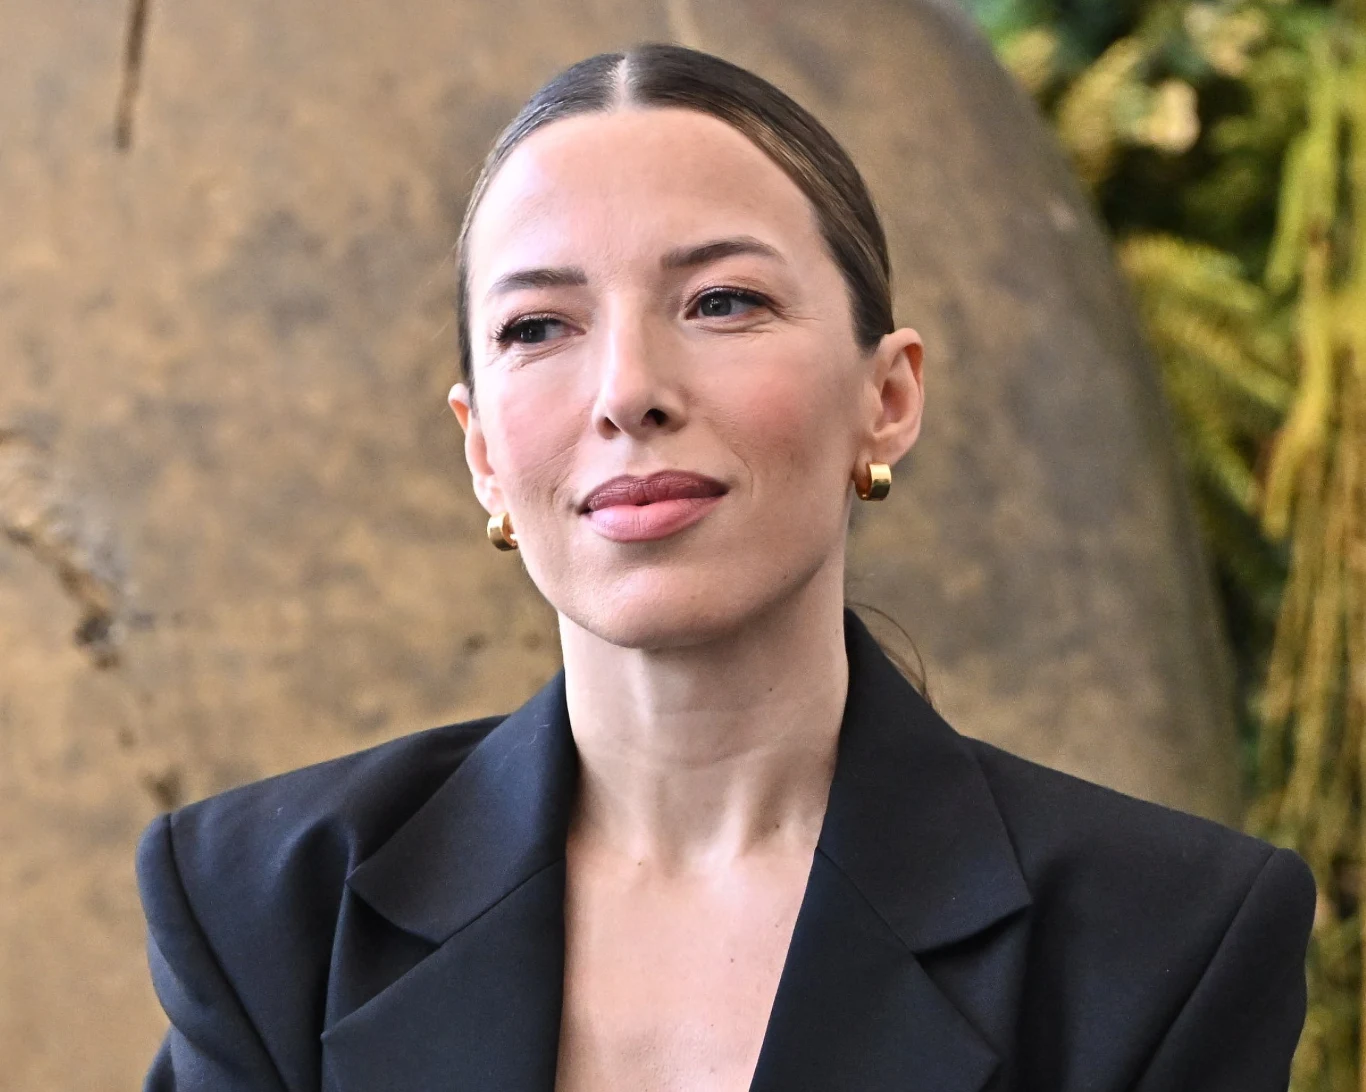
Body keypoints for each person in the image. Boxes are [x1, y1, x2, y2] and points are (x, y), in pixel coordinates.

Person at [135, 41, 1315, 1092]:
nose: (626, 391)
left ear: (887, 397)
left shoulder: (1164, 940)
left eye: (721, 302)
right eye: (538, 326)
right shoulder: (264, 911)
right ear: (482, 449)